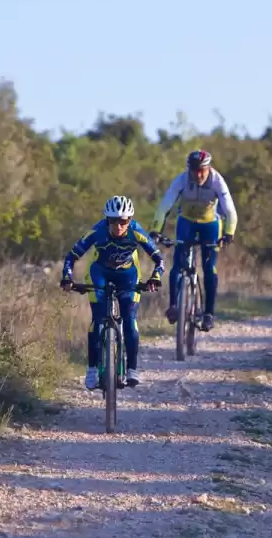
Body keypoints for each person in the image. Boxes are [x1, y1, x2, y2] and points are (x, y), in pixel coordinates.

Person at [60, 195, 164, 390]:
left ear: (130, 221)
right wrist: (67, 277)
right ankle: (92, 369)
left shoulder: (136, 232)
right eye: (113, 221)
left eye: (123, 221)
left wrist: (155, 278)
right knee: (98, 320)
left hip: (128, 275)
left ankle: (132, 368)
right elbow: (71, 256)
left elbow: (159, 259)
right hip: (99, 272)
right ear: (107, 220)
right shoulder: (97, 231)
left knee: (129, 319)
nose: (118, 226)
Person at [149, 149, 237, 332]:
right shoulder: (181, 180)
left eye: (202, 170)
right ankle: (174, 306)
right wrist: (156, 230)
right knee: (177, 265)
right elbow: (165, 206)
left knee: (209, 268)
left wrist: (229, 233)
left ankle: (208, 314)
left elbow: (230, 211)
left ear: (209, 168)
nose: (197, 175)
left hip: (210, 224)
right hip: (186, 222)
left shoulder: (217, 181)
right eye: (194, 170)